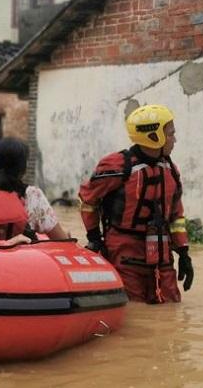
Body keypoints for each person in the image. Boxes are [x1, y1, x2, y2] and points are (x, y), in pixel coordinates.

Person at [78, 104, 194, 304]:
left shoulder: (170, 170)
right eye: (171, 133)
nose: (175, 139)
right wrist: (94, 238)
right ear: (154, 136)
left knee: (170, 306)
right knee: (132, 308)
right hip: (125, 252)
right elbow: (88, 200)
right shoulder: (117, 166)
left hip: (161, 253)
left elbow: (176, 216)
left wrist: (183, 252)